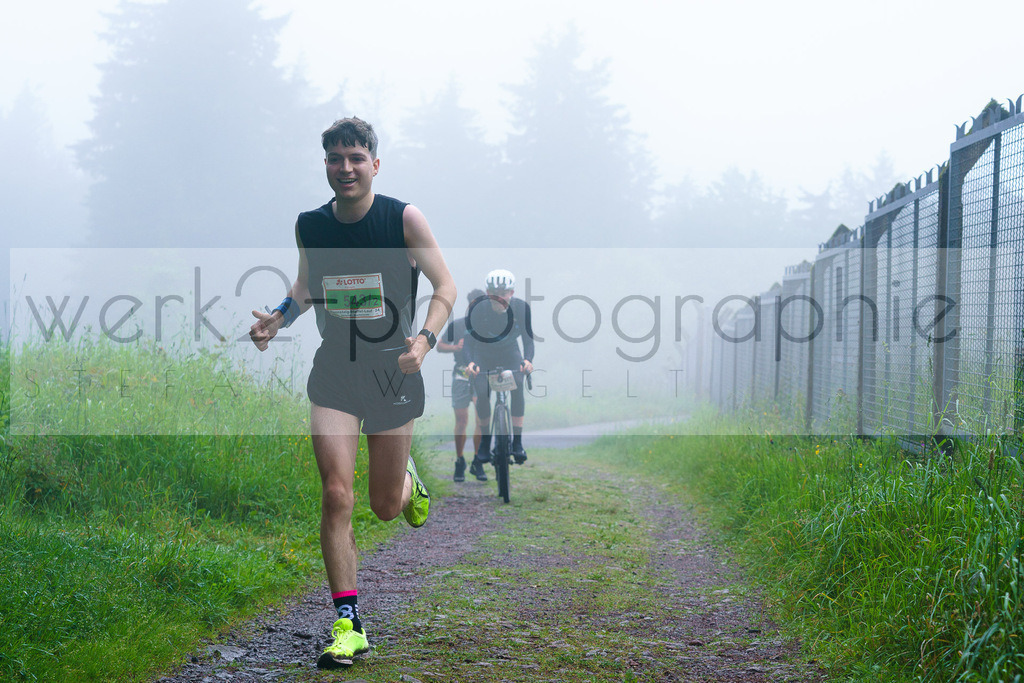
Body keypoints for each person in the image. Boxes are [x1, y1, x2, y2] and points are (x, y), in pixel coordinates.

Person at [248, 117, 456, 669]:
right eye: (335, 159)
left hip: (393, 373)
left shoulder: (401, 218)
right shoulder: (311, 225)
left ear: (374, 165)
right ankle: (348, 622)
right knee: (337, 494)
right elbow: (305, 286)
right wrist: (278, 318)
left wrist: (425, 340)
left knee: (384, 508)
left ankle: (406, 482)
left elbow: (445, 285)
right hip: (335, 374)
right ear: (325, 165)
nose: (346, 168)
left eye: (356, 158)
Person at [465, 269, 535, 480]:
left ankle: (517, 443)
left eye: (504, 293)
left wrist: (528, 360)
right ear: (488, 293)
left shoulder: (522, 308)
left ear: (511, 292)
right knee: (482, 392)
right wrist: (471, 363)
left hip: (510, 353)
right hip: (483, 354)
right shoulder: (478, 309)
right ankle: (485, 443)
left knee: (517, 386)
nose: (499, 298)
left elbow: (528, 340)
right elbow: (469, 342)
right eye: (495, 294)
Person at [436, 288, 486, 482]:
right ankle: (460, 460)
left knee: (481, 420)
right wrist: (455, 348)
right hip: (461, 375)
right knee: (462, 420)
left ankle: (478, 461)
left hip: (481, 376)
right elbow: (440, 345)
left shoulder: (487, 327)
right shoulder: (457, 325)